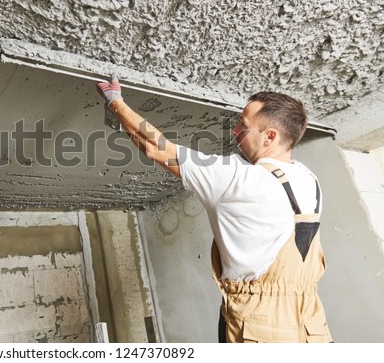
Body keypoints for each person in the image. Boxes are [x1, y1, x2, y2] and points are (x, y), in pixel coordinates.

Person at [96, 74, 333, 343]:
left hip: (259, 326)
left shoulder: (237, 177)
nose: (234, 131)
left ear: (269, 137)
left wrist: (116, 102)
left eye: (243, 126)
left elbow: (155, 148)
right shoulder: (309, 179)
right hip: (312, 326)